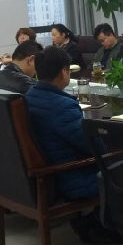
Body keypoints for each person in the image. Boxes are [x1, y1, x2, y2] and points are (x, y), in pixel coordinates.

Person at [24, 46, 98, 199]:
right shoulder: (62, 107)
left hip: (47, 175)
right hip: (73, 178)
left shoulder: (29, 96)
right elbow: (92, 146)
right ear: (64, 72)